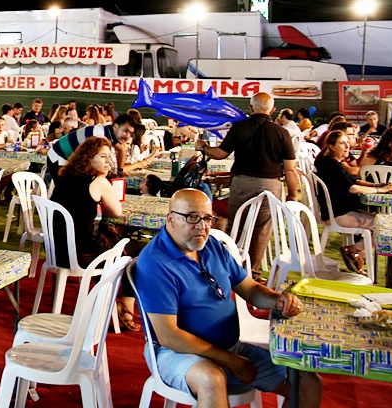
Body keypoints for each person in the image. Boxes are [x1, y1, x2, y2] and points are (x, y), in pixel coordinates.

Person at [134, 189, 322, 408]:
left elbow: (250, 290)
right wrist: (232, 362)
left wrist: (277, 300)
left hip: (230, 348)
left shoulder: (211, 246)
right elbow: (169, 336)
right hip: (175, 353)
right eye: (192, 217)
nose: (202, 226)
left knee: (308, 382)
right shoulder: (155, 262)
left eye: (207, 218)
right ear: (171, 219)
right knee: (211, 378)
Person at [197, 92, 298, 273]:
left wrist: (203, 147)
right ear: (273, 110)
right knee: (261, 230)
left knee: (237, 226)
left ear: (251, 108)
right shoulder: (282, 133)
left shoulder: (239, 128)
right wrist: (292, 194)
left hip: (241, 184)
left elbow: (220, 154)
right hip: (270, 186)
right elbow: (290, 169)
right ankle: (253, 272)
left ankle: (232, 269)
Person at [48, 136, 140, 330]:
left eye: (109, 157)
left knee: (107, 243)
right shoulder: (98, 181)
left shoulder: (63, 176)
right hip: (83, 255)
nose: (108, 162)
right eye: (103, 157)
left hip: (58, 251)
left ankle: (108, 299)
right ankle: (125, 304)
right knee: (132, 254)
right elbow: (117, 212)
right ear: (89, 158)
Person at [314, 130, 392, 275]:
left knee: (381, 221)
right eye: (342, 143)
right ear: (331, 146)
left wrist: (376, 185)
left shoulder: (331, 163)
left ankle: (354, 252)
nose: (347, 146)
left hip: (339, 209)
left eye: (347, 142)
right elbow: (353, 188)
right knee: (382, 225)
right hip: (337, 214)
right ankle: (354, 252)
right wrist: (380, 191)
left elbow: (353, 180)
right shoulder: (331, 165)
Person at [47, 114, 136, 174]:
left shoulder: (111, 132)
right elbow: (88, 161)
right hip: (58, 157)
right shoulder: (99, 136)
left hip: (70, 158)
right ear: (116, 127)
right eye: (126, 131)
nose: (128, 136)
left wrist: (120, 170)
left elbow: (120, 149)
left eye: (131, 133)